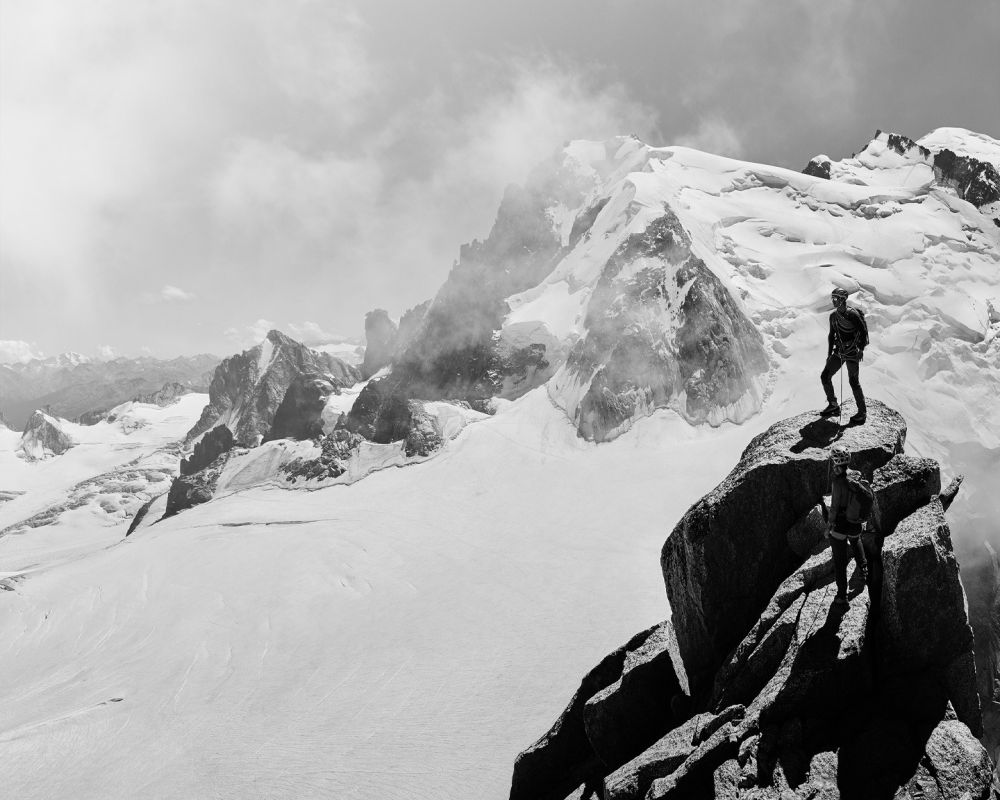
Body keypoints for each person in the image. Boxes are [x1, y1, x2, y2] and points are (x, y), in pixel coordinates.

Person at [825, 444, 870, 608]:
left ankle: (842, 596)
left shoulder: (838, 482)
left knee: (839, 561)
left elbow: (835, 507)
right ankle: (864, 570)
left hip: (840, 526)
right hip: (855, 522)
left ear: (835, 462)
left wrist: (828, 526)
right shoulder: (856, 475)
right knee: (856, 540)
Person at [821, 288, 869, 424]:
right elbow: (831, 335)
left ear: (842, 299)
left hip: (852, 351)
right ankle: (833, 405)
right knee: (825, 376)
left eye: (836, 298)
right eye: (833, 298)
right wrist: (829, 354)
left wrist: (860, 348)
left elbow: (863, 333)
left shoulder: (852, 315)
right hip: (841, 351)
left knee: (854, 382)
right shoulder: (833, 316)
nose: (833, 301)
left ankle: (862, 413)